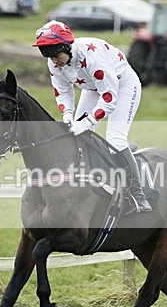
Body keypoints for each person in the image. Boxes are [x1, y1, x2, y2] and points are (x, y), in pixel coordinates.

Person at [33, 20, 152, 214]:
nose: (54, 61)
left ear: (66, 47)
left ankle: (138, 196)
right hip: (93, 88)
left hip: (122, 87)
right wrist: (68, 115)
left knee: (115, 139)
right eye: (49, 56)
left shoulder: (92, 58)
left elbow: (109, 98)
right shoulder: (55, 63)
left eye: (56, 55)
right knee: (76, 135)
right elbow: (63, 92)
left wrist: (87, 122)